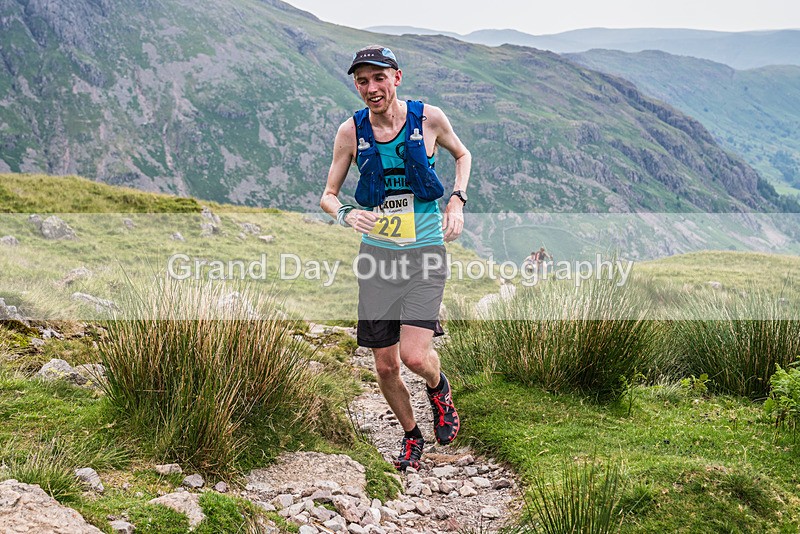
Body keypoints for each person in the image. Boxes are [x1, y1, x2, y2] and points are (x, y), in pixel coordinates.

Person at [320, 45, 472, 470]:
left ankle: (439, 389)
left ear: (396, 78)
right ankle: (412, 436)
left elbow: (463, 155)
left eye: (378, 78)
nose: (371, 88)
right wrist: (348, 214)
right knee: (386, 368)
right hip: (378, 261)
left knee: (414, 357)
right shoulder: (351, 132)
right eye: (362, 81)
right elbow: (328, 196)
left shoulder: (429, 118)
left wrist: (457, 200)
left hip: (425, 254)